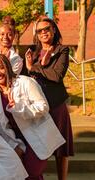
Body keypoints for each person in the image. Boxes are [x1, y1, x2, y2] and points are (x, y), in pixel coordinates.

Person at [0, 54, 65, 180]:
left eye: (0, 68)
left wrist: (19, 108)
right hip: (15, 138)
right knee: (23, 175)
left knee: (31, 172)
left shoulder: (25, 82)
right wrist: (14, 145)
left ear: (7, 67)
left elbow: (43, 107)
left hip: (37, 136)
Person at [25, 17, 74, 180]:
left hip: (55, 104)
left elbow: (57, 75)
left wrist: (34, 68)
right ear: (37, 35)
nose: (44, 32)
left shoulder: (62, 50)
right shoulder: (32, 51)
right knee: (38, 145)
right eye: (40, 31)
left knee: (61, 149)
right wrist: (32, 69)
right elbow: (25, 76)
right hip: (36, 107)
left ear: (54, 30)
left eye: (47, 28)